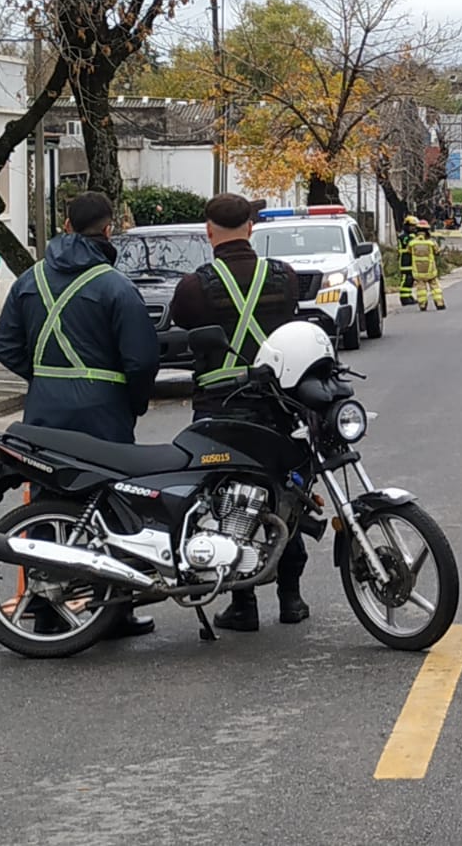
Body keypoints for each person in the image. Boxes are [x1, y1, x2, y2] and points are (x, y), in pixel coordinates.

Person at [0, 191, 160, 639]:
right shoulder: (115, 286)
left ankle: (46, 610)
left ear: (65, 226)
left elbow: (5, 347)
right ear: (108, 230)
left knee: (49, 506)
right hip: (104, 413)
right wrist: (133, 402)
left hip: (44, 413)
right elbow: (142, 360)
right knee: (114, 508)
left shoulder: (30, 280)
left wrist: (46, 380)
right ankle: (116, 610)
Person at [168, 193, 309, 632]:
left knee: (226, 507)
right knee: (285, 497)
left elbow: (184, 333)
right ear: (252, 227)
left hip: (219, 413)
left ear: (208, 232)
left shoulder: (193, 287)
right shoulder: (283, 277)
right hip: (277, 409)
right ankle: (292, 598)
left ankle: (242, 603)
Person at [408, 219, 446, 311]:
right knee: (435, 287)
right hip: (430, 270)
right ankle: (439, 304)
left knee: (421, 289)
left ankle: (422, 305)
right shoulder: (431, 243)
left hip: (418, 271)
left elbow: (409, 251)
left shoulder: (412, 243)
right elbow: (437, 251)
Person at [397, 215, 419, 306]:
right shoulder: (404, 236)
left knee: (410, 279)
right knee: (406, 279)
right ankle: (404, 298)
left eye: (415, 226)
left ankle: (409, 296)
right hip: (405, 261)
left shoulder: (410, 235)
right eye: (411, 226)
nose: (413, 228)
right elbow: (410, 243)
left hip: (411, 260)